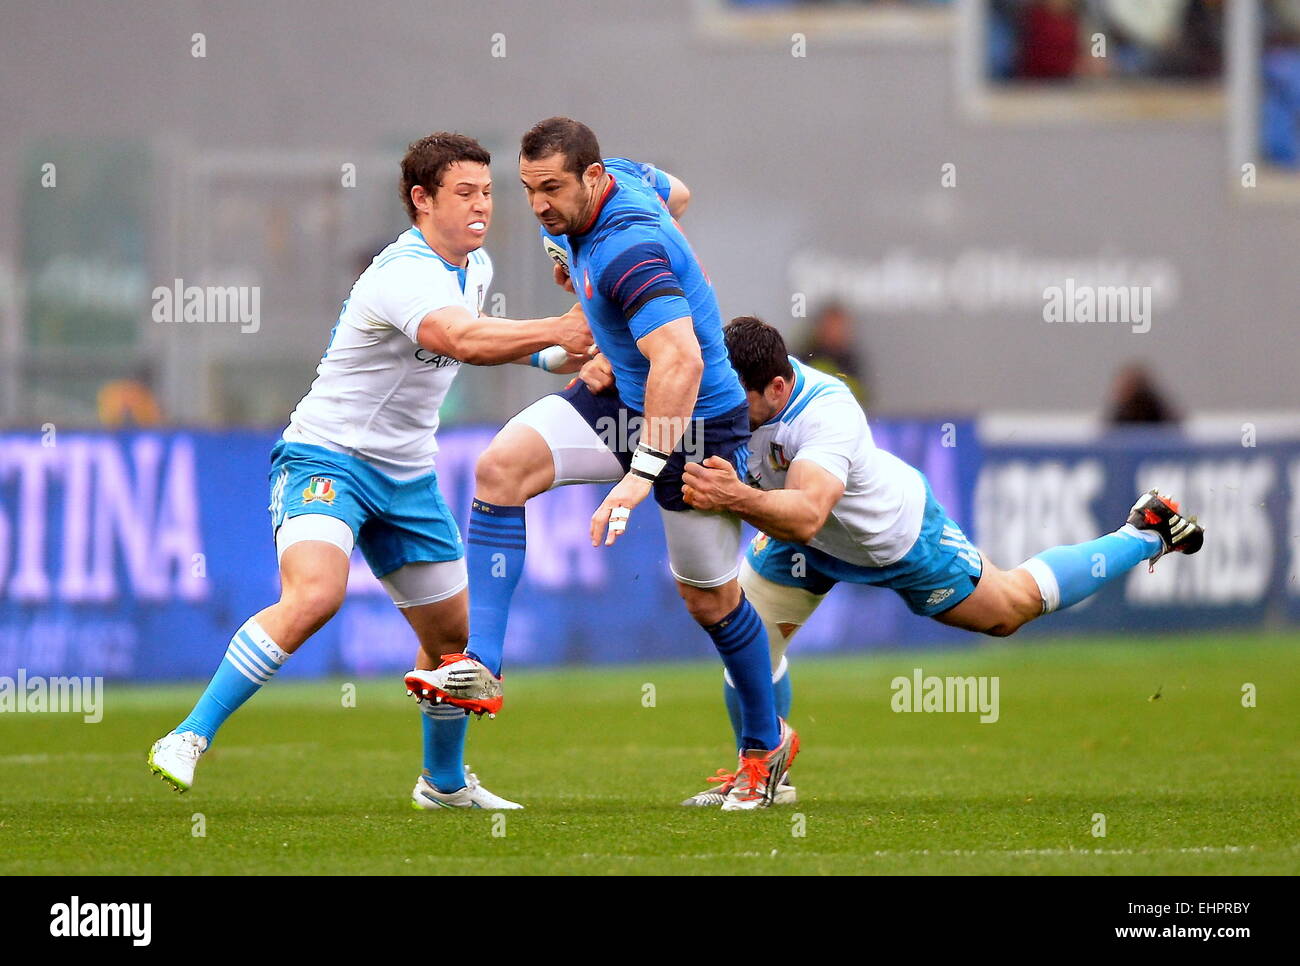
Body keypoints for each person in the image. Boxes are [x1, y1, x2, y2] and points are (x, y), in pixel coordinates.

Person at [148, 132, 593, 809]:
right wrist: (556, 330)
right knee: (316, 597)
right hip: (327, 458)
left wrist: (582, 345)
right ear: (421, 200)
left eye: (488, 193)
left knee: (453, 644)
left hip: (408, 477)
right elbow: (460, 340)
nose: (483, 207)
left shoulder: (474, 269)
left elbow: (504, 347)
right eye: (464, 194)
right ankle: (187, 736)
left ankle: (443, 786)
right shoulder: (402, 272)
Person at [404, 117, 797, 811]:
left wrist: (638, 479)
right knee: (501, 469)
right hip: (617, 392)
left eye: (550, 189)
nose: (537, 206)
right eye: (527, 189)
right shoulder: (619, 176)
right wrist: (611, 313)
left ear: (590, 179)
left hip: (695, 424)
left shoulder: (626, 250)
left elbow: (682, 359)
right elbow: (680, 191)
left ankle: (763, 751)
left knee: (710, 599)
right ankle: (483, 667)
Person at [678, 316, 1204, 805]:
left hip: (893, 539)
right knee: (747, 638)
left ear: (777, 388)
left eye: (737, 399)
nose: (725, 407)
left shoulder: (826, 409)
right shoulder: (727, 385)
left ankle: (1144, 531)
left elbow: (809, 513)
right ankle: (764, 771)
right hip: (801, 542)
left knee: (1011, 609)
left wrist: (732, 496)